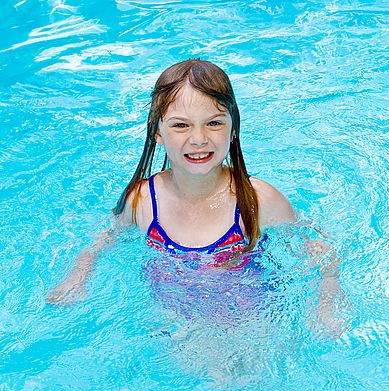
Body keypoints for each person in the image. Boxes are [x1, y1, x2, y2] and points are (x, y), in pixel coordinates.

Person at [46, 59, 344, 338]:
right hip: (175, 319)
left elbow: (319, 248)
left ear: (233, 130)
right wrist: (78, 275)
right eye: (180, 125)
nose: (199, 138)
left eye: (213, 123)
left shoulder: (257, 200)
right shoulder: (143, 200)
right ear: (157, 133)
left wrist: (326, 304)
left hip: (253, 320)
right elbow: (107, 237)